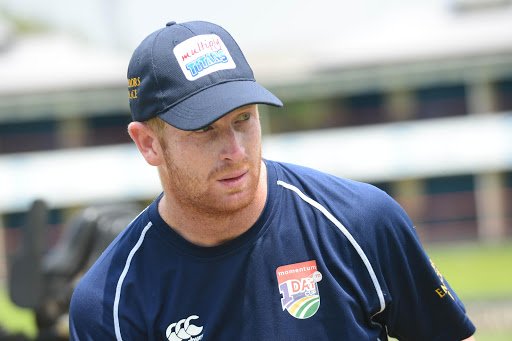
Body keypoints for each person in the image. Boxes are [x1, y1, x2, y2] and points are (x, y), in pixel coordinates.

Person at [69, 20, 476, 340]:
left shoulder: (364, 221)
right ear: (148, 144)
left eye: (244, 119)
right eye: (203, 130)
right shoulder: (109, 302)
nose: (235, 150)